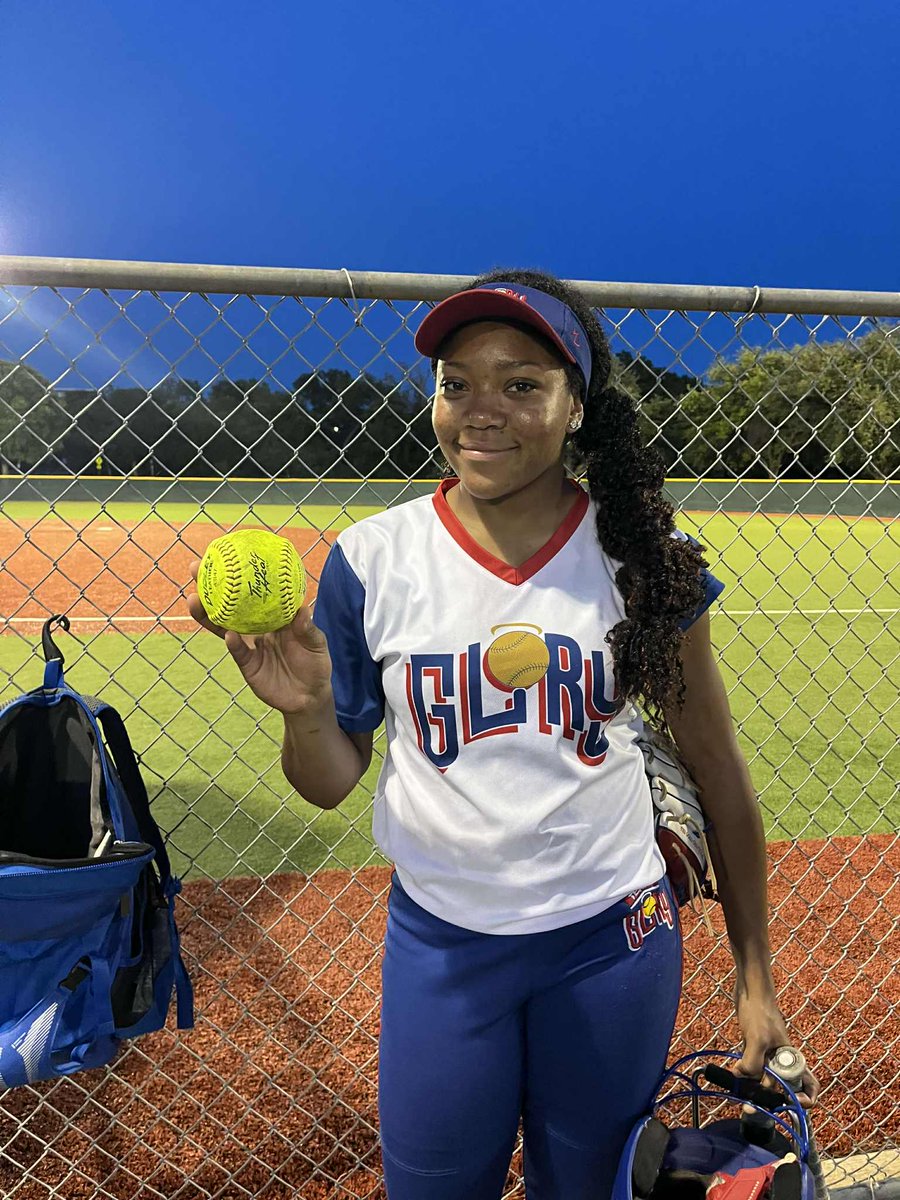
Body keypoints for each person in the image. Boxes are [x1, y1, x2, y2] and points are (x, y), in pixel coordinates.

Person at [188, 268, 819, 1200]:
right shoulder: (373, 559)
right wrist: (309, 713)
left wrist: (755, 972)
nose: (481, 409)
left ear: (575, 407)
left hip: (613, 940)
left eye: (522, 384)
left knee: (588, 1186)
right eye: (456, 382)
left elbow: (715, 762)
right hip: (445, 946)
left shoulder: (637, 556)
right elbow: (327, 782)